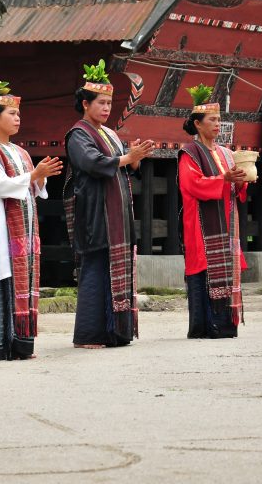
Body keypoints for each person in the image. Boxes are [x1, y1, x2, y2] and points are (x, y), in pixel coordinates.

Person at [63, 60, 153, 349]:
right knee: (95, 267)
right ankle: (88, 334)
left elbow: (121, 166)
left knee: (113, 269)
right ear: (85, 104)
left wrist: (134, 160)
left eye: (109, 103)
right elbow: (92, 162)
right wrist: (127, 158)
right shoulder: (78, 134)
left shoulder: (109, 133)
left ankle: (115, 332)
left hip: (115, 214)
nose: (106, 108)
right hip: (95, 211)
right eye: (101, 103)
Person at [0, 73, 63, 360]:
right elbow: (0, 186)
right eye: (11, 113)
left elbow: (32, 189)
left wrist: (40, 177)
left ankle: (23, 344)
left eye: (19, 114)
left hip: (24, 228)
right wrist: (33, 176)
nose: (17, 118)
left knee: (24, 280)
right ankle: (2, 346)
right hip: (1, 227)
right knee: (4, 281)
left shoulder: (20, 152)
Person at [178, 85, 248, 339]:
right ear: (198, 124)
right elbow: (192, 184)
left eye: (219, 119)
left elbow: (236, 189)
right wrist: (223, 179)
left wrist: (241, 180)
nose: (218, 124)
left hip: (227, 221)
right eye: (212, 120)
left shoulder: (226, 153)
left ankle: (225, 325)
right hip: (201, 224)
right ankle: (207, 326)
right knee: (204, 269)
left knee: (226, 268)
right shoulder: (189, 153)